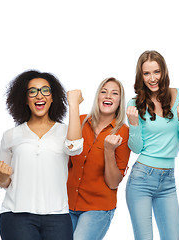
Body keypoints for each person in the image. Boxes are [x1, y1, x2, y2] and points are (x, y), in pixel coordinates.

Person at [0, 70, 84, 240]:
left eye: (45, 90)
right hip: (16, 215)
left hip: (58, 216)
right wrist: (1, 176)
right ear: (25, 99)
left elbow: (74, 148)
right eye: (32, 91)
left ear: (52, 97)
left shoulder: (66, 132)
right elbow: (4, 183)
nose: (39, 95)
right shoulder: (10, 135)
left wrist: (74, 105)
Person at [125, 50, 179, 240]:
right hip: (141, 179)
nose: (152, 78)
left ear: (164, 72)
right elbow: (136, 148)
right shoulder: (134, 103)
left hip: (168, 180)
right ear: (141, 75)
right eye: (147, 73)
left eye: (156, 72)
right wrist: (134, 124)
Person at [67, 77, 131, 240]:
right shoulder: (79, 121)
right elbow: (66, 163)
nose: (108, 96)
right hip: (67, 203)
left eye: (114, 93)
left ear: (119, 101)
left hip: (97, 208)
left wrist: (109, 151)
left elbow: (113, 182)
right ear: (98, 96)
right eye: (104, 91)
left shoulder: (123, 133)